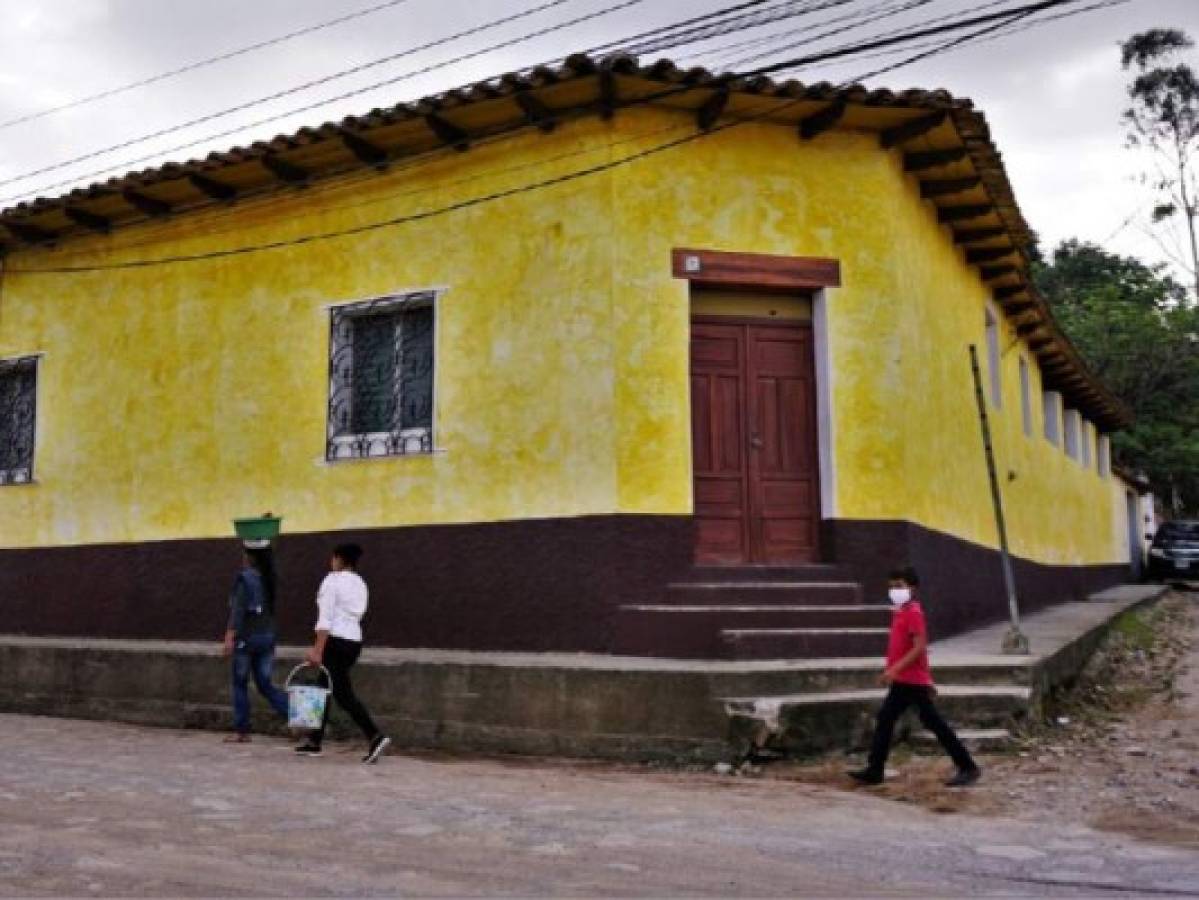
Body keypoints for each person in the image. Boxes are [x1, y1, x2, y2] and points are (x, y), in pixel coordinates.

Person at [848, 566, 981, 788]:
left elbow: (919, 647)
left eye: (899, 586)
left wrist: (894, 670)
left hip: (911, 679)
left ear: (912, 587)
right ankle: (875, 769)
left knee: (926, 722)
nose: (894, 590)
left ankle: (967, 766)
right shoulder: (901, 612)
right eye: (891, 587)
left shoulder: (913, 613)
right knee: (892, 719)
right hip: (905, 679)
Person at [294, 542, 391, 764]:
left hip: (335, 642)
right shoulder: (360, 584)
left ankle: (375, 736)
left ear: (338, 559)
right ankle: (314, 740)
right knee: (323, 687)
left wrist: (317, 650)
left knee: (342, 693)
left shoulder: (332, 581)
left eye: (333, 558)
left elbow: (325, 618)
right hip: (354, 641)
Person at [223, 542, 289, 742]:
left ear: (249, 557)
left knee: (240, 683)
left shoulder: (245, 579)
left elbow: (238, 611)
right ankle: (299, 719)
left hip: (247, 638)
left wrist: (229, 636)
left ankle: (242, 731)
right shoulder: (270, 579)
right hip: (267, 637)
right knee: (265, 685)